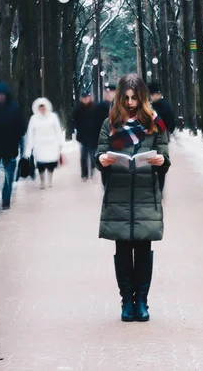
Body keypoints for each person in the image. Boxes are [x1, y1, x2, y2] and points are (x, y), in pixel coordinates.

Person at [95, 74, 171, 322]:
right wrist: (103, 160)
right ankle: (127, 301)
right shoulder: (111, 123)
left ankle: (143, 302)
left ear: (142, 97)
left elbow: (164, 156)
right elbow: (99, 153)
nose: (130, 103)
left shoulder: (154, 123)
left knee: (144, 249)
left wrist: (161, 161)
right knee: (123, 251)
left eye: (134, 98)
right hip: (117, 195)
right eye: (126, 98)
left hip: (145, 195)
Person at [25, 97, 63, 189]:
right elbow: (30, 132)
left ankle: (50, 180)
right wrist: (30, 145)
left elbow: (57, 129)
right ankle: (42, 182)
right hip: (39, 144)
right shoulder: (34, 118)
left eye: (43, 107)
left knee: (51, 163)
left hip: (51, 143)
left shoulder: (53, 117)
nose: (42, 109)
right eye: (40, 108)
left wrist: (60, 142)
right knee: (40, 164)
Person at [148, 82, 174, 192]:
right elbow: (171, 122)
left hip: (158, 137)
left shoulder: (155, 107)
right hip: (156, 138)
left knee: (160, 163)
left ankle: (158, 188)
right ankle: (158, 188)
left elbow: (170, 121)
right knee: (158, 164)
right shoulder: (161, 105)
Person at [71, 92, 97, 181]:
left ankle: (93, 171)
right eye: (84, 98)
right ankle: (84, 174)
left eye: (87, 97)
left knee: (93, 155)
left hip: (93, 135)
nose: (86, 99)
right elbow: (74, 121)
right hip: (82, 136)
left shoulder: (94, 108)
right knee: (84, 156)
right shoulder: (78, 109)